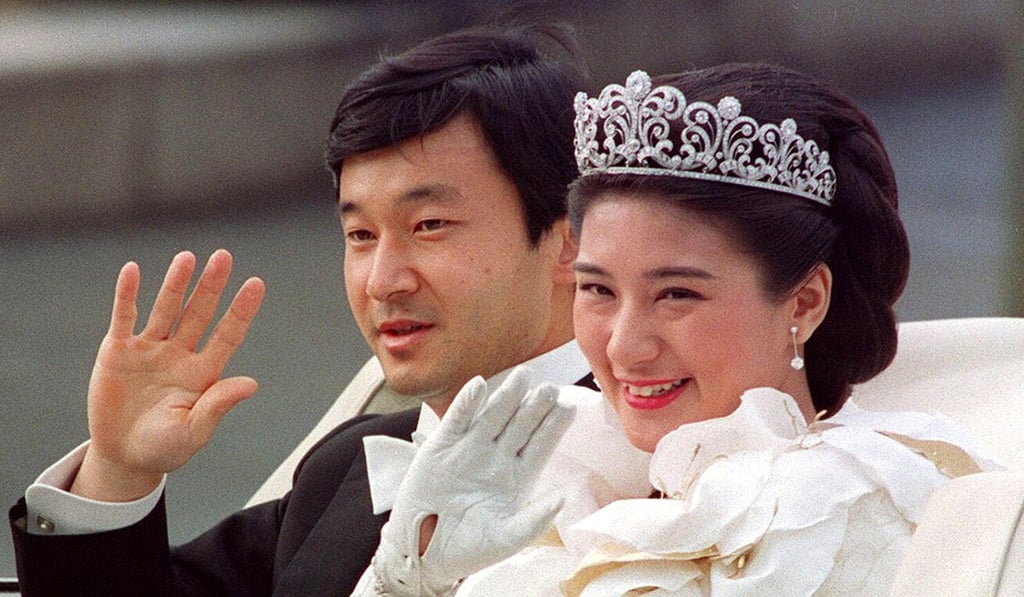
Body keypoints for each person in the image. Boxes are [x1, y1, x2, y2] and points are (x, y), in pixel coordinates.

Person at [8, 21, 607, 596]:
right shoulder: (344, 469)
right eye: (360, 235)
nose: (382, 282)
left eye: (429, 225)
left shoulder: (649, 467)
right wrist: (118, 470)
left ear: (569, 242)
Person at [372, 64, 997, 595]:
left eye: (677, 295)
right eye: (597, 290)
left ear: (804, 303)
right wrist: (408, 577)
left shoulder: (840, 510)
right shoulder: (567, 473)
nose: (623, 347)